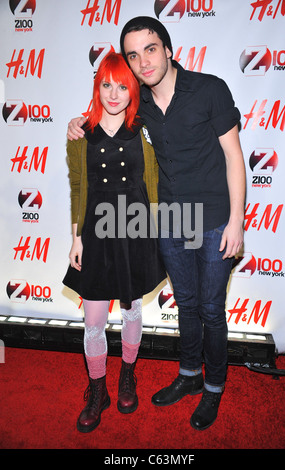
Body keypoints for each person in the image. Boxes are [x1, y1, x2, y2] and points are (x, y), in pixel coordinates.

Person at [67, 17, 246, 431]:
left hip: (216, 220)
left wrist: (237, 221)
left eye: (150, 49)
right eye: (134, 55)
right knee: (185, 305)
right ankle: (189, 376)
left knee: (211, 310)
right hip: (168, 220)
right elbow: (103, 120)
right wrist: (76, 124)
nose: (144, 61)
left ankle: (214, 387)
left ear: (167, 48)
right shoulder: (140, 105)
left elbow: (235, 157)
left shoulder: (210, 89)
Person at [63, 51, 165, 433]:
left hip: (136, 232)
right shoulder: (80, 133)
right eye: (107, 84)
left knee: (132, 308)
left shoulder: (144, 130)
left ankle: (127, 376)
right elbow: (77, 188)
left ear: (133, 88)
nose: (114, 93)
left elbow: (153, 185)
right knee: (93, 320)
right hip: (95, 235)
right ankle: (97, 391)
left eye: (123, 85)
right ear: (97, 85)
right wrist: (76, 239)